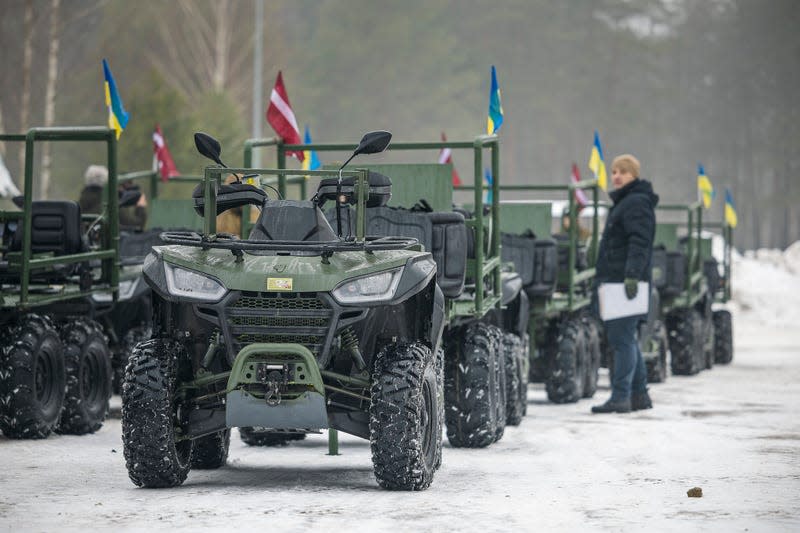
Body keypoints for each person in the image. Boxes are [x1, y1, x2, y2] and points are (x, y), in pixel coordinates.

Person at [591, 154, 659, 414]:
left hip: (625, 283)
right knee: (627, 338)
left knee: (621, 340)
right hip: (619, 281)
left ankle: (620, 396)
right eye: (614, 171)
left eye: (623, 171)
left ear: (634, 175)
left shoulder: (635, 203)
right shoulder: (628, 202)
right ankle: (639, 395)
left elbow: (639, 242)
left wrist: (631, 274)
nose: (616, 176)